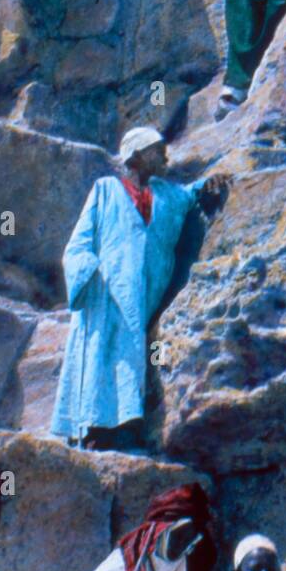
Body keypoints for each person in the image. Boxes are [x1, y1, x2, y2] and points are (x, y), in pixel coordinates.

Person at [51, 127, 227, 449]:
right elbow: (78, 245)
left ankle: (125, 429)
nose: (165, 156)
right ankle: (93, 431)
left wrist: (208, 185)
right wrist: (87, 276)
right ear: (135, 156)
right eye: (156, 150)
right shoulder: (105, 190)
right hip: (105, 296)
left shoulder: (167, 194)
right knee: (101, 359)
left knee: (131, 359)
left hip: (142, 299)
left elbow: (190, 195)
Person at [68, 484, 216, 571]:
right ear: (160, 531)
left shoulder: (190, 570)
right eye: (178, 535)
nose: (182, 544)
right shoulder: (126, 559)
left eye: (189, 539)